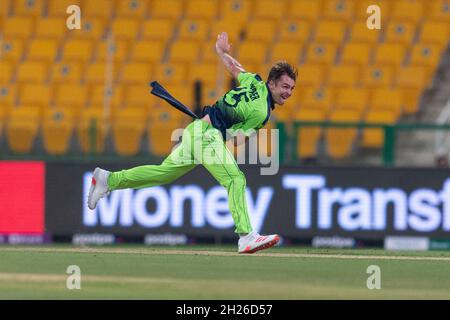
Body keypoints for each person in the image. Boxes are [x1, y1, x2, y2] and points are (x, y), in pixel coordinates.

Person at [88, 32, 297, 254]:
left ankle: (109, 179)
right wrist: (248, 133)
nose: (288, 93)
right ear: (272, 83)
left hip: (196, 131)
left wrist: (221, 52)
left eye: (292, 88)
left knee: (162, 173)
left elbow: (235, 68)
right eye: (285, 87)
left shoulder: (254, 80)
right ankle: (246, 236)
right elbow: (236, 141)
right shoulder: (262, 112)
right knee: (235, 179)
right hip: (207, 135)